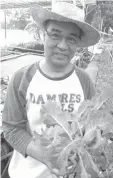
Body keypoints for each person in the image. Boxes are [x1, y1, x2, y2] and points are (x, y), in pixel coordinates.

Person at [2, 2, 100, 178]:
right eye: (55, 35)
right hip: (26, 173)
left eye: (71, 39)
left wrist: (92, 136)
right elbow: (11, 128)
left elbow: (89, 123)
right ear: (42, 35)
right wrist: (46, 156)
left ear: (78, 43)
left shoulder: (84, 80)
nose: (62, 46)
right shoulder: (21, 78)